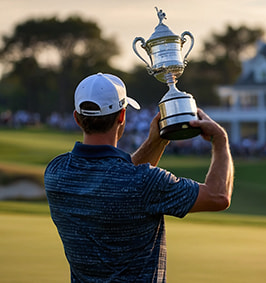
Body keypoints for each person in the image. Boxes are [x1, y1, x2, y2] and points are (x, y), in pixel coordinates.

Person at [44, 72, 234, 282]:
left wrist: (156, 142)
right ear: (122, 116)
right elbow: (218, 196)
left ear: (77, 118)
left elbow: (119, 180)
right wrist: (220, 140)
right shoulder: (144, 182)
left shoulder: (56, 172)